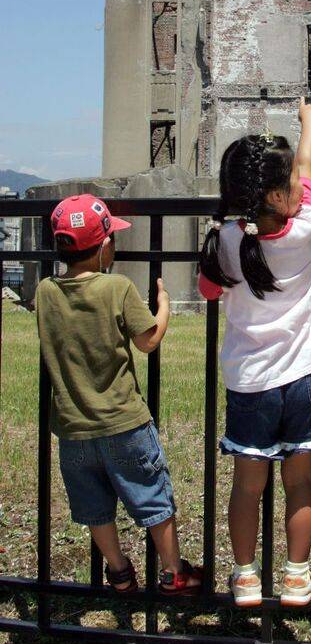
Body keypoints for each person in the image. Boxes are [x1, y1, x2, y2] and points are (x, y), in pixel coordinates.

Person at [198, 98, 311, 608]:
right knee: (300, 483)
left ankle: (244, 577)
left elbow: (209, 291)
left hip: (250, 381)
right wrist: (309, 123)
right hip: (306, 376)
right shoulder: (306, 228)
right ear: (283, 196)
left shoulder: (226, 242)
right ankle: (297, 577)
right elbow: (306, 169)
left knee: (247, 485)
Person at [35, 194, 202, 595]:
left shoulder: (45, 292)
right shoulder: (118, 287)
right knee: (153, 498)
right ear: (106, 245)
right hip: (124, 422)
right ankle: (172, 572)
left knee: (94, 507)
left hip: (73, 429)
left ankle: (119, 572)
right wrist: (164, 306)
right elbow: (148, 340)